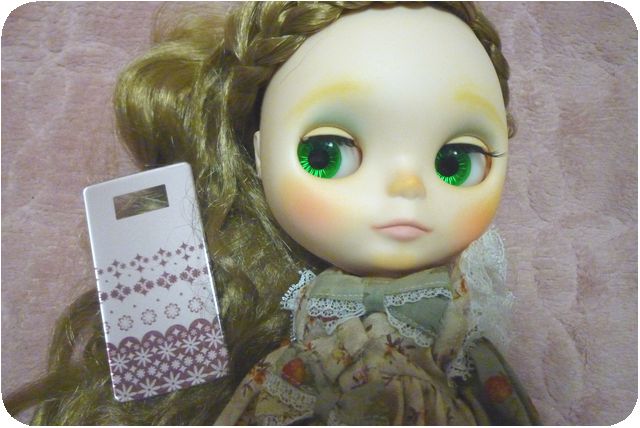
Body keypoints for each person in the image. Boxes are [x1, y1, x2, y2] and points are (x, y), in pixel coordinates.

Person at [6, 2, 538, 424]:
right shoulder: (262, 315)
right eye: (326, 154)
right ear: (260, 156)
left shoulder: (467, 331)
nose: (408, 187)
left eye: (456, 161)